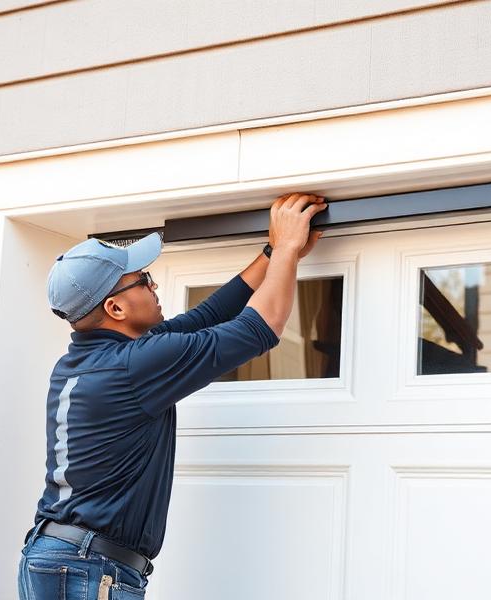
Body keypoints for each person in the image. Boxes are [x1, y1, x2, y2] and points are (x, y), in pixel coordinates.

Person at [17, 193, 327, 599]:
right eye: (142, 280)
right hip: (87, 567)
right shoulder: (132, 365)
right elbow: (261, 326)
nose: (153, 282)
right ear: (115, 307)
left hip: (60, 557)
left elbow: (207, 316)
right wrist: (287, 247)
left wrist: (273, 252)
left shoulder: (89, 360)